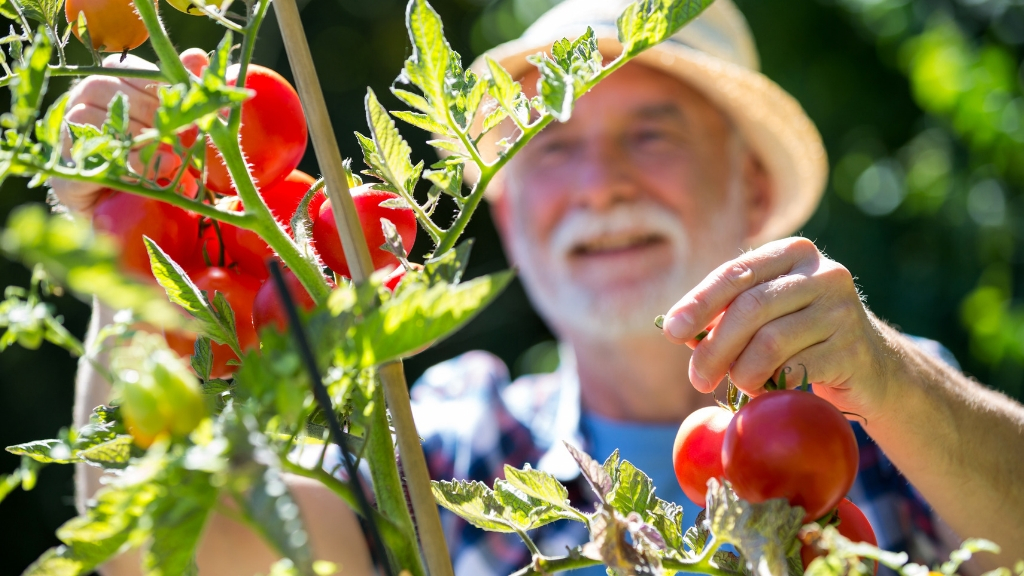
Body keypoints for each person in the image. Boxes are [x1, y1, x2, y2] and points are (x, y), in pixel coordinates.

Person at [53, 0, 1024, 574]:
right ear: (511, 214)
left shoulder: (892, 424)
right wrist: (131, 268)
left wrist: (895, 383)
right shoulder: (439, 444)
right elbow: (171, 561)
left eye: (651, 133)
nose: (599, 183)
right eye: (551, 147)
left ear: (754, 188)